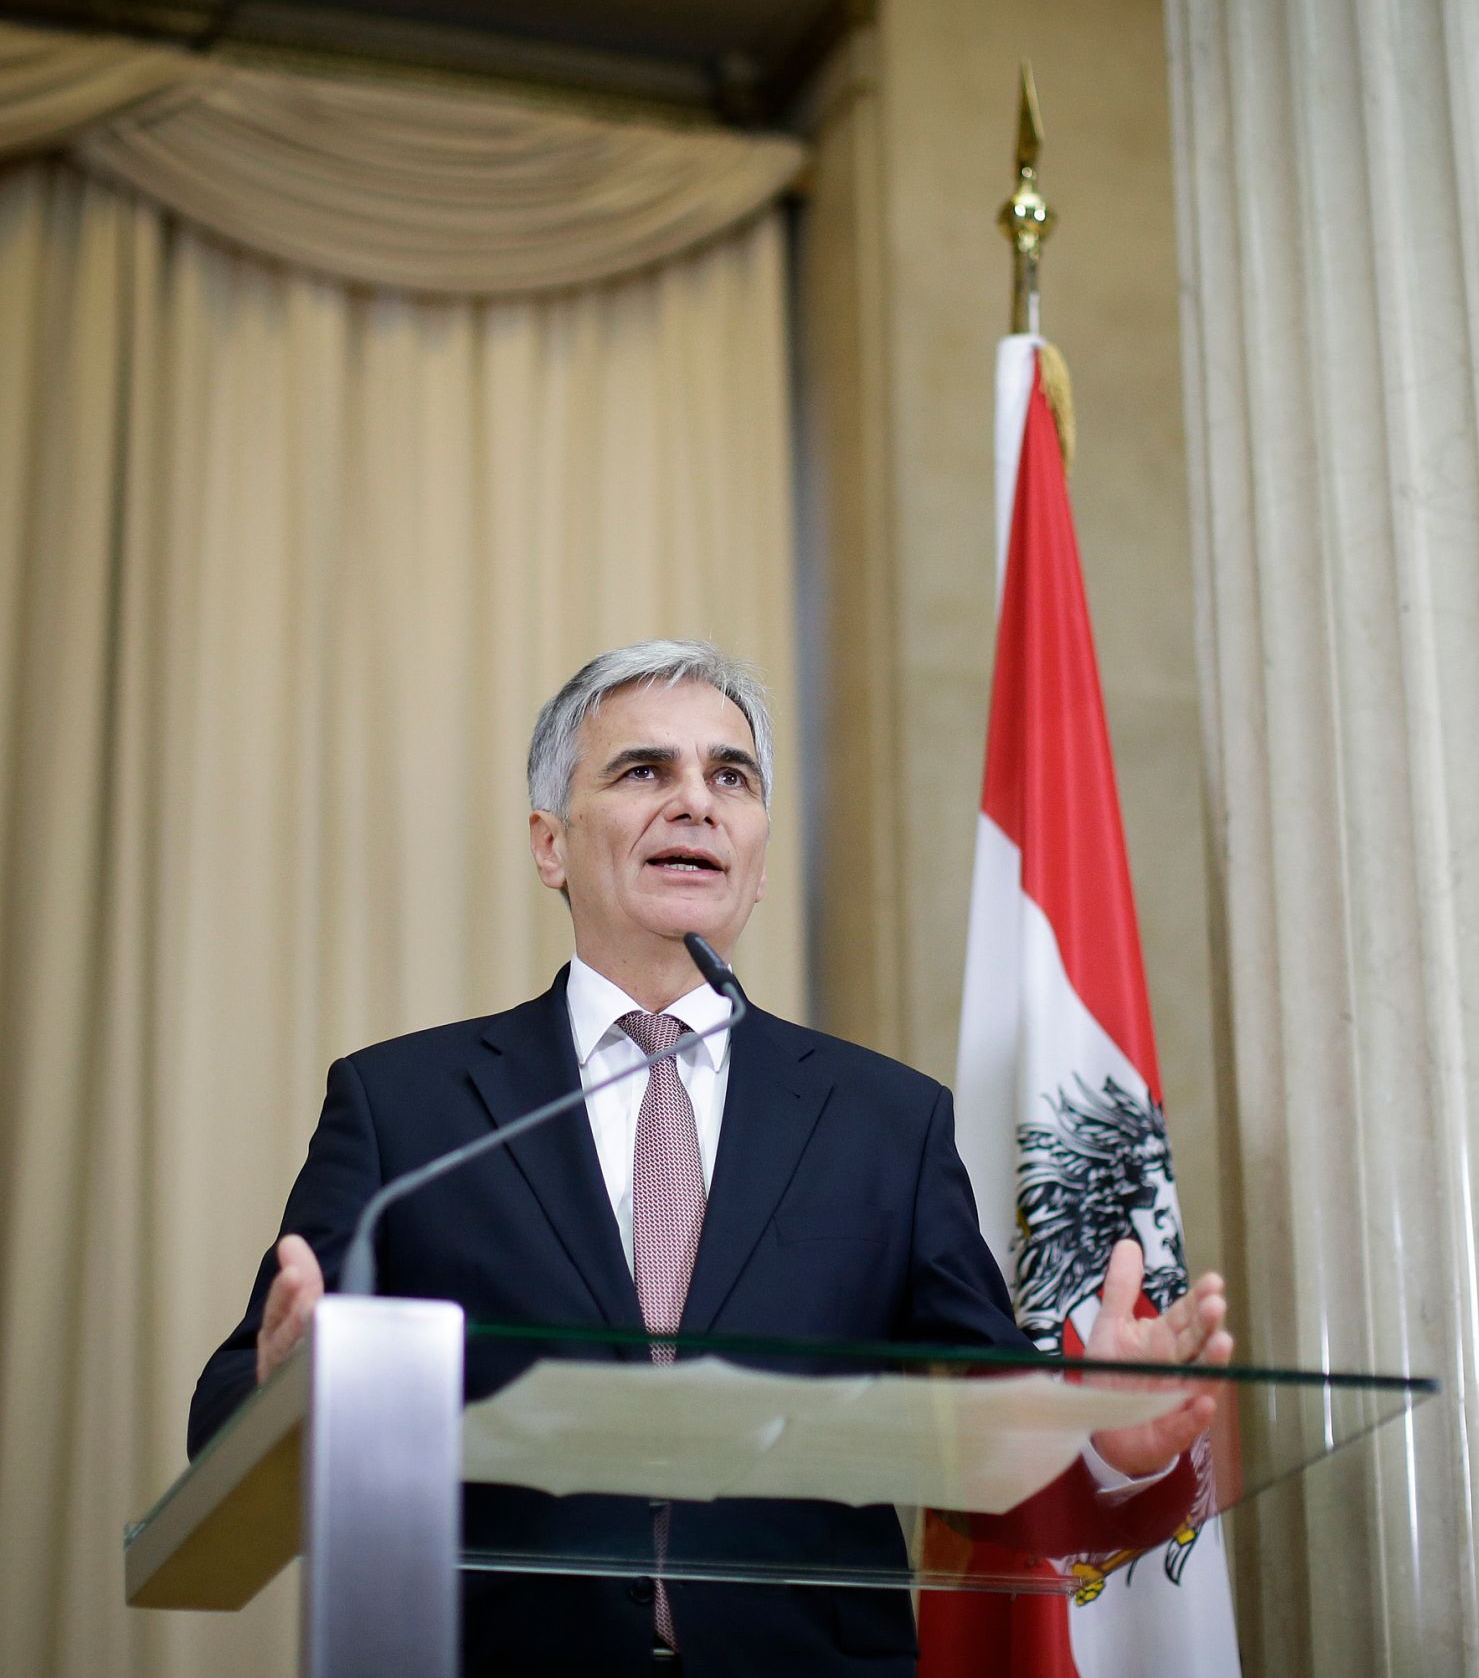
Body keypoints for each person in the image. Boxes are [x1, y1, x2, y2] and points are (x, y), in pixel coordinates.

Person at [190, 640, 1231, 1677]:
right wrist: (286, 1398)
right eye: (644, 770)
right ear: (549, 844)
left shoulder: (885, 1120)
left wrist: (1100, 1437)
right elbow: (229, 1402)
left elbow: (977, 1448)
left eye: (728, 777)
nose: (694, 801)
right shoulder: (406, 1107)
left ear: (759, 858)